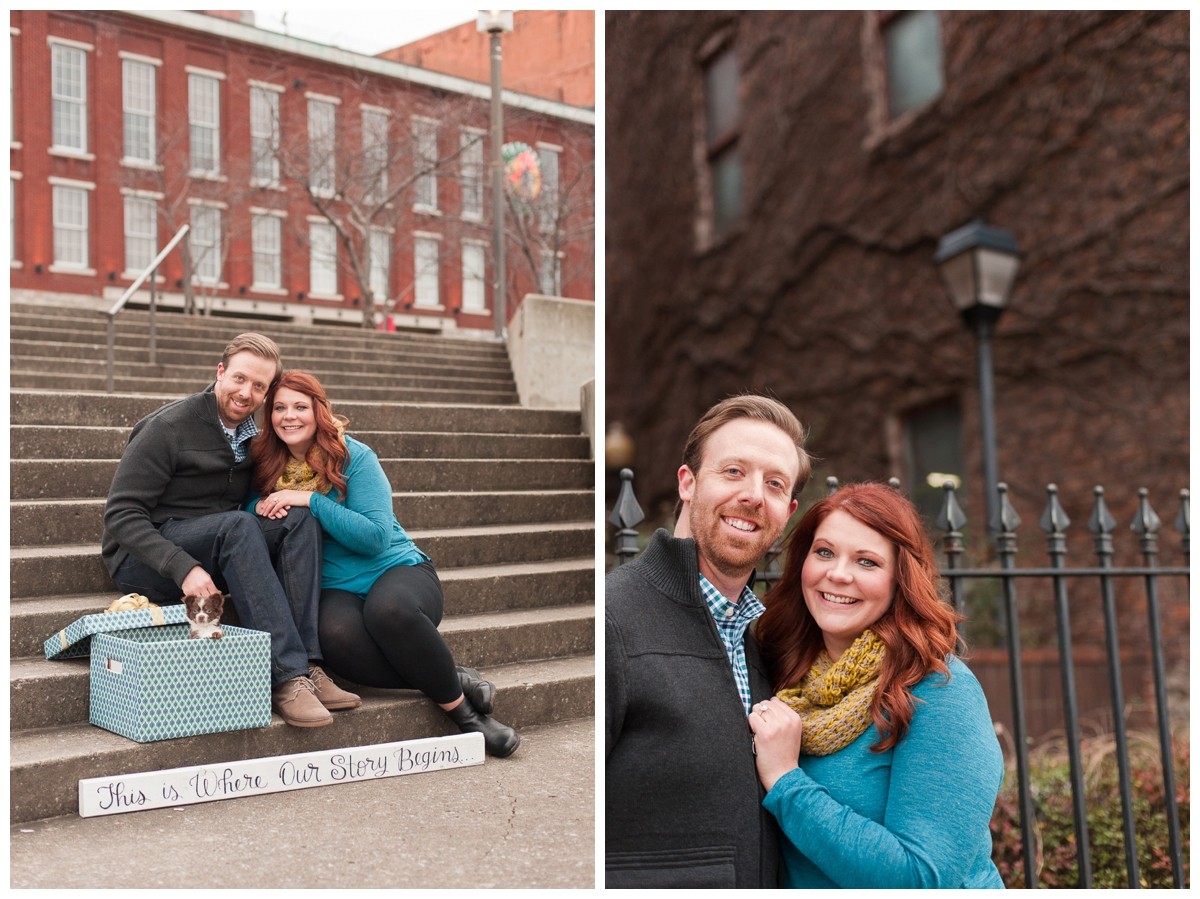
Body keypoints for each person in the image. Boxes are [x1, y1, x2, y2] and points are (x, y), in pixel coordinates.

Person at [246, 371, 520, 758]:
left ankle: (467, 717)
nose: (289, 416)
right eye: (279, 408)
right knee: (334, 641)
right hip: (334, 588)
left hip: (396, 570)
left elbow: (374, 537)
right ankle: (452, 677)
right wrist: (262, 504)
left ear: (318, 411)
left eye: (300, 407)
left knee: (388, 611)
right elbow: (249, 515)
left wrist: (309, 500)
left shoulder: (354, 456)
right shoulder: (264, 466)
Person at [750, 482, 1005, 889]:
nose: (837, 574)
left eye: (866, 562)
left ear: (900, 580)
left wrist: (786, 780)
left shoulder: (938, 692)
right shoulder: (781, 675)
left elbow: (921, 879)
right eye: (825, 552)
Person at [605, 394, 813, 888]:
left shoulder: (759, 643)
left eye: (774, 483)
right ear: (688, 482)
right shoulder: (613, 619)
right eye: (734, 471)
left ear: (788, 510)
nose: (754, 496)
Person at [102, 333, 359, 729]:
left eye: (259, 386)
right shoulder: (168, 427)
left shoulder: (253, 439)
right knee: (237, 525)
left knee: (298, 518)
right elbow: (121, 514)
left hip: (217, 543)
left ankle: (308, 664)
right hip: (145, 559)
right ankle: (285, 677)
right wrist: (182, 566)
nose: (246, 393)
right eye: (239, 379)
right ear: (220, 373)